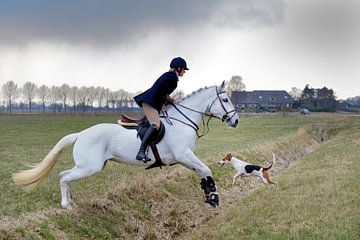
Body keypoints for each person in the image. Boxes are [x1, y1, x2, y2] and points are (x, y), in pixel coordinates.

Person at [133, 57, 189, 162]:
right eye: (184, 69)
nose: (185, 71)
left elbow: (161, 91)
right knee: (155, 125)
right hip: (150, 102)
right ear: (178, 68)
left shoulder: (171, 77)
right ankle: (141, 152)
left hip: (153, 102)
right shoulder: (171, 76)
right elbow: (158, 89)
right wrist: (166, 97)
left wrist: (167, 98)